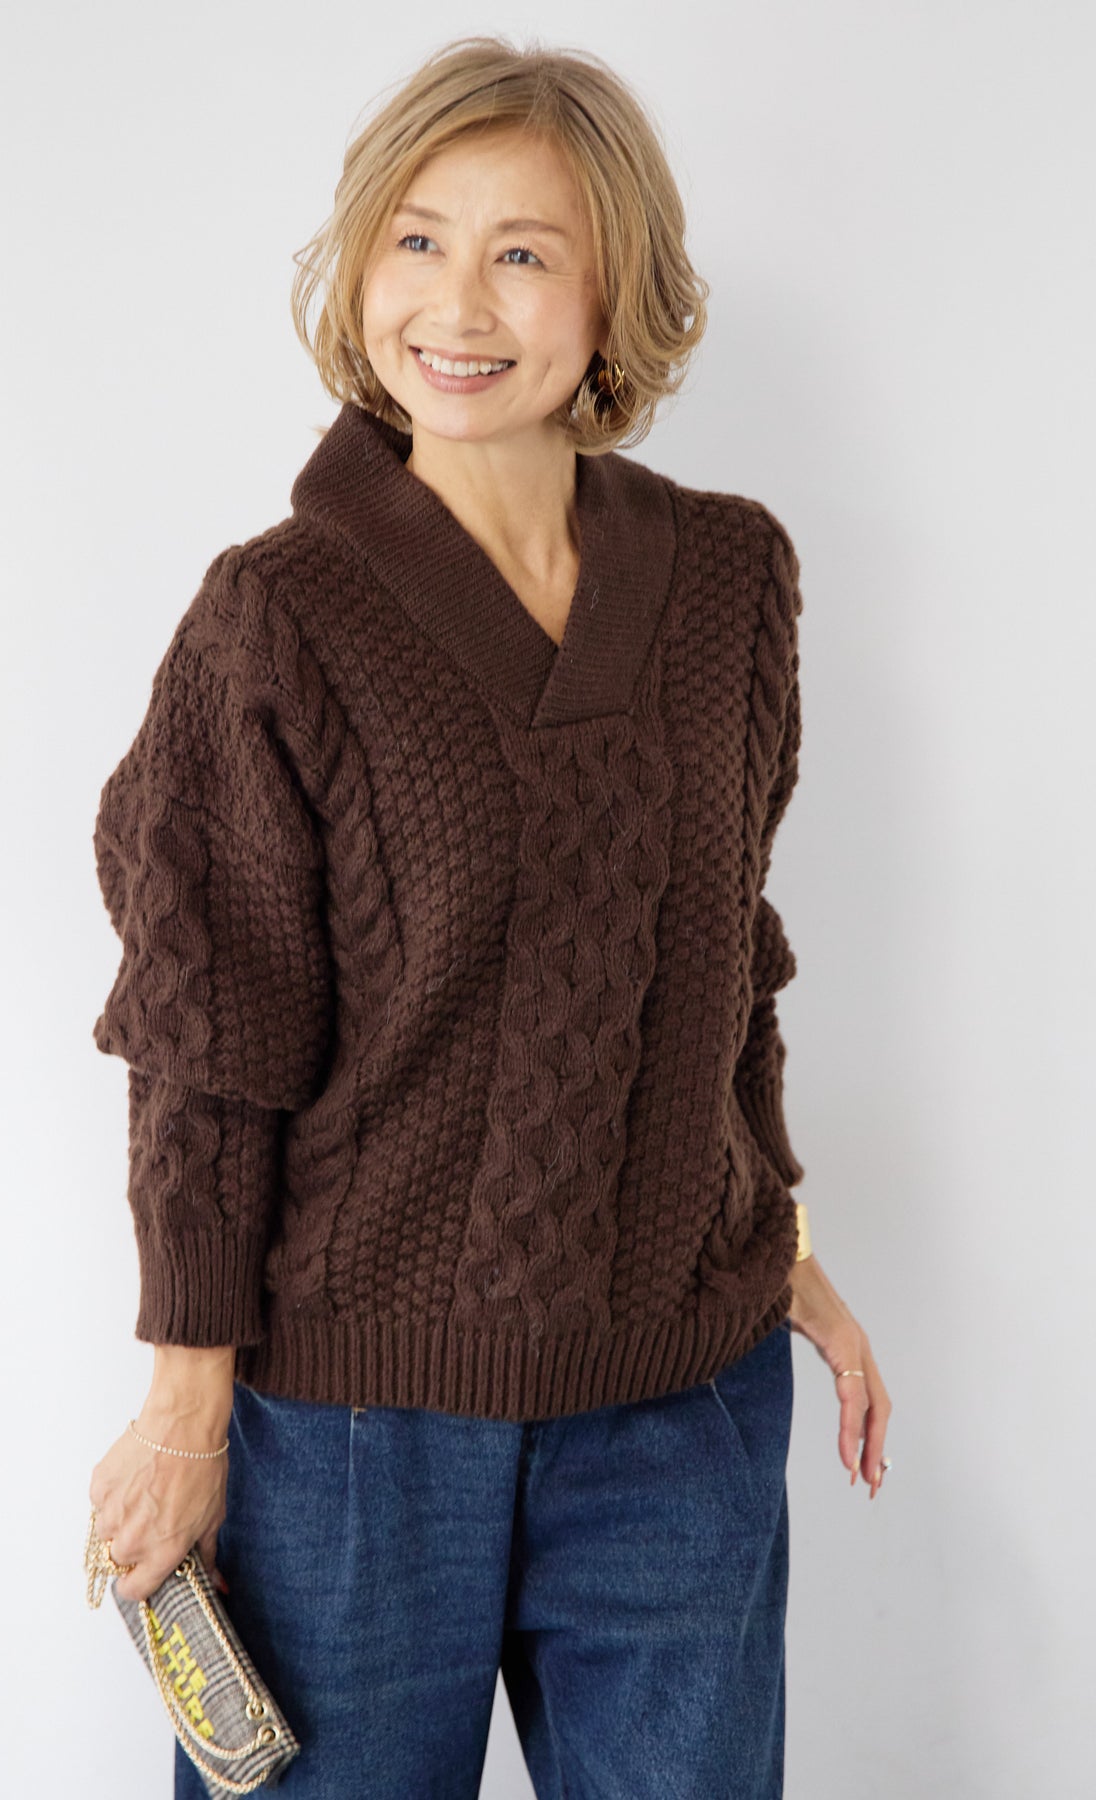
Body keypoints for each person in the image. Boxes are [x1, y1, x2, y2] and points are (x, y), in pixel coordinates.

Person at [87, 34, 892, 1799]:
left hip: (679, 1402)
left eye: (523, 252)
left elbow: (721, 964)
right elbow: (206, 1047)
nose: (457, 303)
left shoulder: (733, 581)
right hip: (355, 1429)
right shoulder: (274, 622)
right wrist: (186, 1412)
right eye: (416, 240)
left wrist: (785, 1238)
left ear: (615, 296)